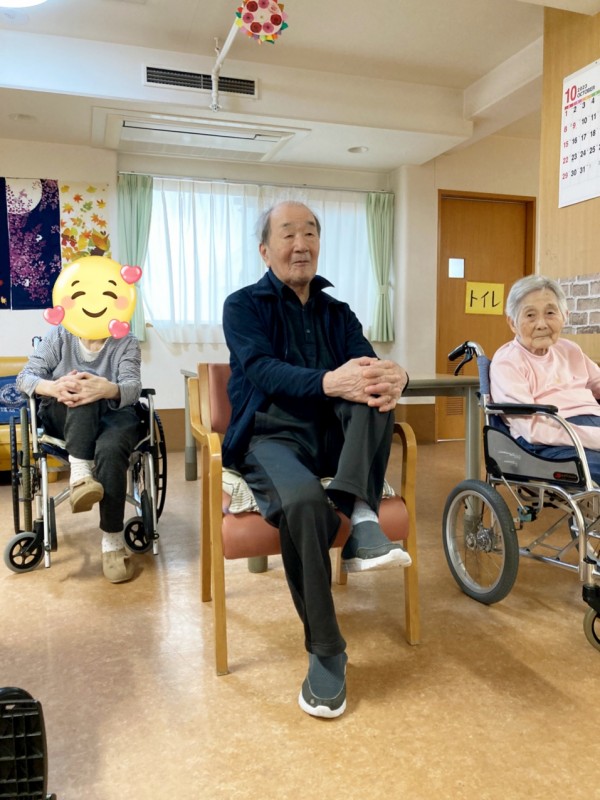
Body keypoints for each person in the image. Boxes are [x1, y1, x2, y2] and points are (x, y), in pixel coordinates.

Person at [222, 200, 411, 719]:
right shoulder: (243, 306)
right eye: (287, 234)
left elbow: (370, 364)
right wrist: (330, 381)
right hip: (271, 436)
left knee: (376, 391)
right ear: (266, 250)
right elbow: (261, 369)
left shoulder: (338, 312)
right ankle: (327, 651)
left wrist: (398, 376)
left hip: (333, 437)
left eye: (309, 233)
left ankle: (361, 517)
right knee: (304, 504)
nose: (300, 244)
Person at [16, 326, 142, 583]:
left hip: (114, 415)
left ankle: (112, 542)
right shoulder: (60, 335)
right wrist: (54, 387)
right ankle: (81, 473)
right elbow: (24, 378)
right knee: (78, 385)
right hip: (64, 411)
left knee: (111, 447)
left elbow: (132, 387)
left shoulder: (125, 340)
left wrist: (106, 389)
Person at [490, 274, 600, 482]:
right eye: (530, 315)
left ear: (564, 316)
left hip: (591, 425)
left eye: (550, 313)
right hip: (548, 440)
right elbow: (533, 430)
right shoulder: (507, 362)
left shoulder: (570, 349)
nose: (541, 324)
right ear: (512, 323)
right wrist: (594, 438)